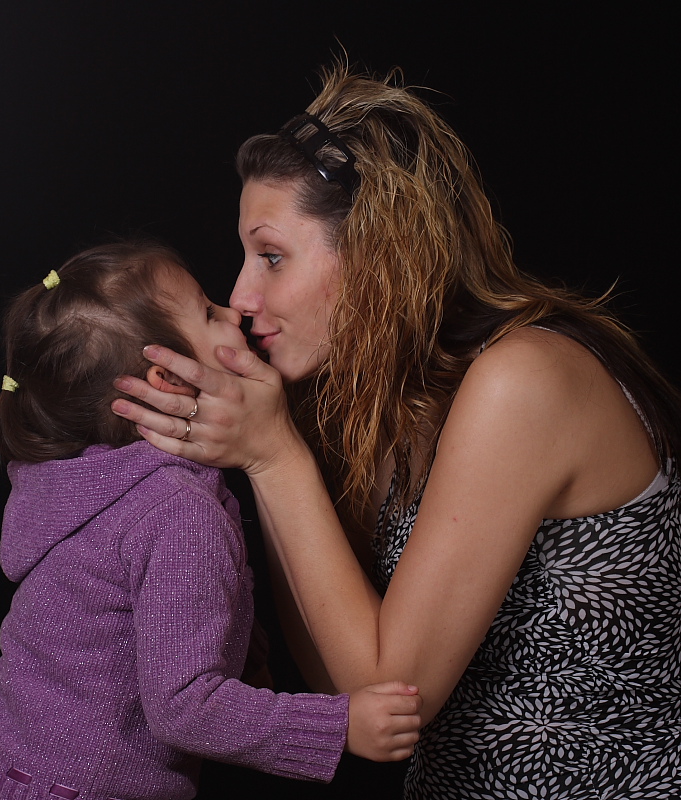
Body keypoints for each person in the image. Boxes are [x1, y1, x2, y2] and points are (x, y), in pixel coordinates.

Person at [110, 63, 681, 799]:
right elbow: (337, 684)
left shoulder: (526, 379)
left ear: (379, 255)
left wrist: (273, 457)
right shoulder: (369, 406)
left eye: (272, 255)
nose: (241, 295)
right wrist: (267, 453)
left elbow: (395, 690)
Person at [0, 239, 423, 800]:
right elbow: (183, 709)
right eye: (208, 312)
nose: (232, 311)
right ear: (168, 379)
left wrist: (248, 657)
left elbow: (157, 614)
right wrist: (338, 727)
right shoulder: (177, 511)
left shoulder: (78, 485)